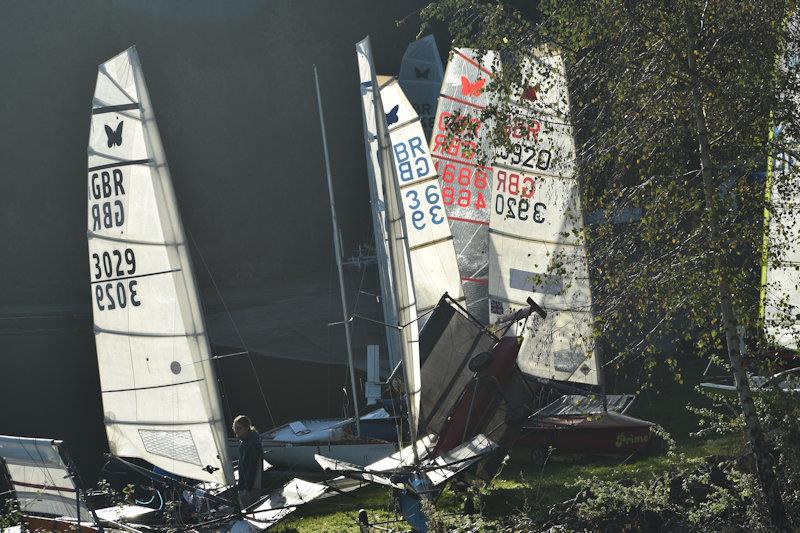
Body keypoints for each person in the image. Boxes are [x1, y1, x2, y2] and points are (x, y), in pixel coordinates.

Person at [232, 414, 263, 508]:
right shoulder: (243, 443)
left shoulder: (253, 443)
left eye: (239, 428)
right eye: (235, 428)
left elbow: (253, 466)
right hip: (244, 485)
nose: (236, 431)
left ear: (246, 428)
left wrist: (247, 487)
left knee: (252, 510)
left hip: (251, 487)